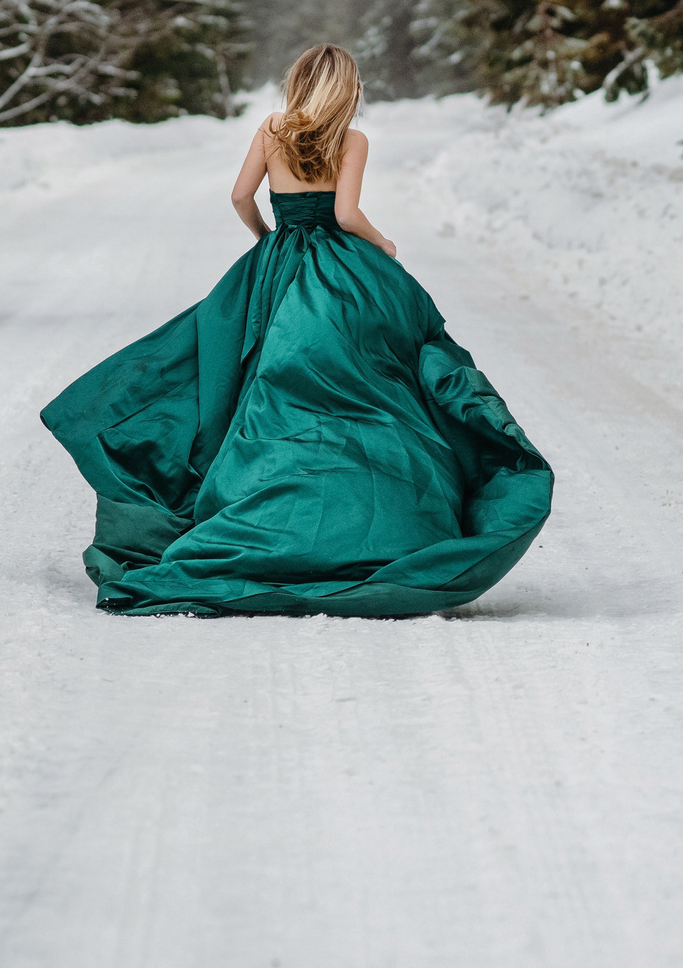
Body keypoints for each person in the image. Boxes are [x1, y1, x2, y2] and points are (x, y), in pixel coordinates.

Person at [40, 44, 552, 616]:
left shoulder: (272, 128)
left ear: (298, 83)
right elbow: (345, 215)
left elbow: (239, 195)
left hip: (278, 265)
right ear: (347, 88)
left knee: (243, 378)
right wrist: (380, 245)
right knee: (369, 384)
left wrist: (267, 238)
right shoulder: (352, 140)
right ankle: (371, 510)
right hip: (338, 271)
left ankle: (251, 492)